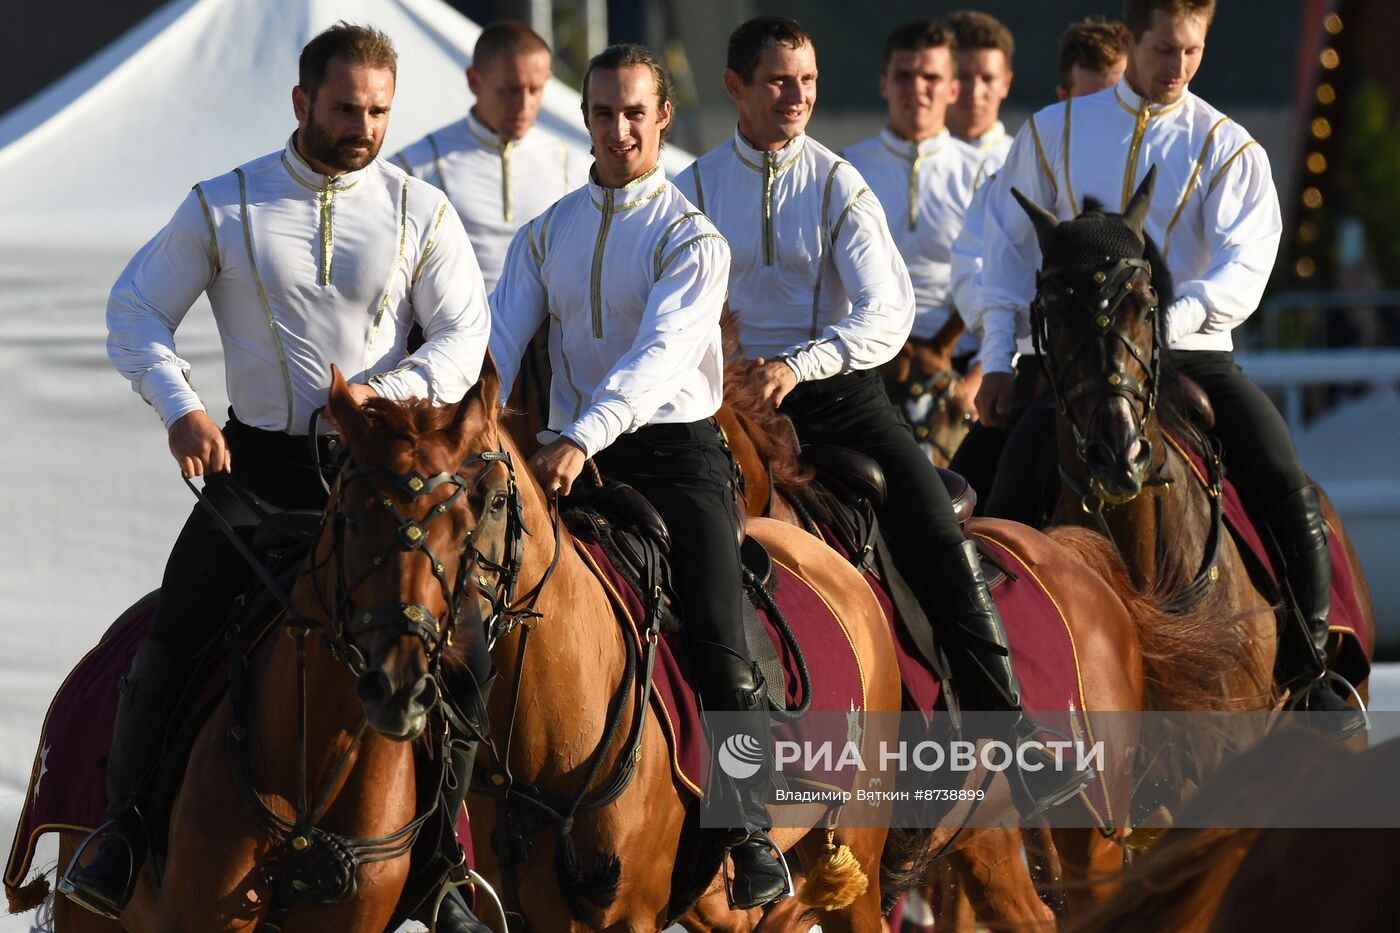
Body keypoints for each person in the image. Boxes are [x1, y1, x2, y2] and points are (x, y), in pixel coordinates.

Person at [59, 24, 494, 930]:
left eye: (379, 110)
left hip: (381, 481)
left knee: (456, 655)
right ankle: (125, 833)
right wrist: (179, 403)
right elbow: (136, 307)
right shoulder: (226, 202)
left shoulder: (422, 208)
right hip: (256, 472)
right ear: (302, 103)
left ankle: (444, 868)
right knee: (169, 633)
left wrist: (382, 393)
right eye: (346, 108)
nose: (364, 126)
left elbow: (464, 337)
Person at [676, 16, 1094, 819]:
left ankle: (1015, 732)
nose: (796, 96)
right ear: (734, 87)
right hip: (717, 399)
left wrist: (796, 365)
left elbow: (888, 311)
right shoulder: (690, 189)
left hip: (834, 397)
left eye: (806, 80)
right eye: (776, 81)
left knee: (936, 525)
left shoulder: (837, 183)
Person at [971, 0, 1364, 733]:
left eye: (1193, 51)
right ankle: (984, 684)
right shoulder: (1050, 134)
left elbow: (1248, 267)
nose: (1178, 67)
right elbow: (1003, 258)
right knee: (986, 490)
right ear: (1127, 41)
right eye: (1163, 50)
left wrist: (1163, 324)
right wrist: (998, 359)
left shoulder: (1227, 144)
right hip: (1072, 368)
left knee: (1283, 481)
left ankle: (1314, 673)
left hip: (1193, 352)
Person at [488, 44, 790, 909]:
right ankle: (445, 834)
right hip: (559, 458)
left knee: (720, 637)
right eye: (602, 113)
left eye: (635, 113)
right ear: (582, 119)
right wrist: (460, 418)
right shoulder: (545, 232)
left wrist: (582, 433)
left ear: (663, 117)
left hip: (671, 456)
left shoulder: (691, 234)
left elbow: (659, 358)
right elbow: (498, 350)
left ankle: (753, 826)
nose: (618, 129)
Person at [949, 17, 1126, 514]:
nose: (1099, 119)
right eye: (1084, 103)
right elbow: (973, 268)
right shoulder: (1022, 166)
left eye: (1111, 101)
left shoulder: (1150, 164)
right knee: (959, 503)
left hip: (1135, 366)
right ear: (1061, 97)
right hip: (1041, 364)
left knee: (1271, 479)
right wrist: (1003, 345)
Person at [843, 19, 986, 435]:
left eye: (931, 76)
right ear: (884, 83)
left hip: (961, 376)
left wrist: (977, 381)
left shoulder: (986, 173)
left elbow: (1007, 285)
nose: (916, 87)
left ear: (952, 89)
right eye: (903, 75)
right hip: (868, 366)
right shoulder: (844, 169)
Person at [393, 21, 588, 294]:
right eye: (509, 90)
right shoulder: (412, 166)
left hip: (547, 335)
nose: (523, 105)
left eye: (535, 90)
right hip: (451, 332)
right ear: (474, 81)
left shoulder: (576, 167)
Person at [946, 11, 1016, 169]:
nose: (975, 92)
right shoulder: (905, 162)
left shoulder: (1027, 165)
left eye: (988, 79)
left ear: (1006, 83)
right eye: (963, 77)